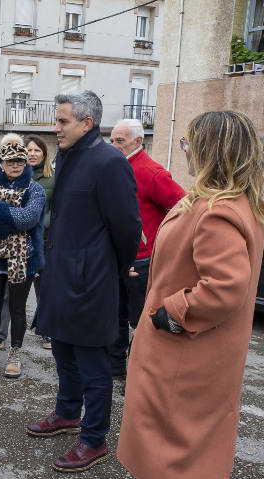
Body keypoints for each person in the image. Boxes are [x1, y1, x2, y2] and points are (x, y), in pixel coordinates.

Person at [108, 111, 264, 479]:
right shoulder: (233, 201)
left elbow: (225, 288)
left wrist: (171, 313)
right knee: (201, 433)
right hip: (209, 352)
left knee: (154, 436)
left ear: (209, 150)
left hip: (182, 348)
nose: (185, 151)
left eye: (189, 143)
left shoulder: (217, 210)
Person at [28, 90, 141, 472]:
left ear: (86, 123)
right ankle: (67, 414)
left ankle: (94, 439)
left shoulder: (109, 162)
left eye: (62, 121)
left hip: (92, 281)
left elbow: (127, 226)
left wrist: (115, 267)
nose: (55, 128)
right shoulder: (67, 157)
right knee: (63, 354)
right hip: (60, 276)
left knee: (94, 366)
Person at [107, 119, 186, 378]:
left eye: (121, 141)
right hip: (116, 259)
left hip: (141, 261)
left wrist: (156, 242)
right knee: (114, 316)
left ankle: (138, 375)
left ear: (138, 142)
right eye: (112, 140)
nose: (115, 145)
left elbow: (182, 209)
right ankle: (116, 367)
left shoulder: (152, 172)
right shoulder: (115, 168)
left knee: (140, 321)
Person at [0, 133, 46, 379]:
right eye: (10, 161)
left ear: (26, 163)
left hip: (23, 258)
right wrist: (8, 218)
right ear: (1, 163)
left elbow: (30, 218)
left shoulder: (35, 189)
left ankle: (15, 354)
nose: (15, 165)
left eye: (20, 161)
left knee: (17, 308)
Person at [0, 135, 56, 350]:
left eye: (36, 150)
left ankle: (47, 332)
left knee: (45, 291)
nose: (32, 154)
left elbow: (56, 211)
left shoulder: (52, 179)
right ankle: (0, 335)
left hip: (44, 242)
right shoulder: (13, 177)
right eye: (28, 150)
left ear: (44, 154)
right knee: (8, 292)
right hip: (14, 243)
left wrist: (37, 222)